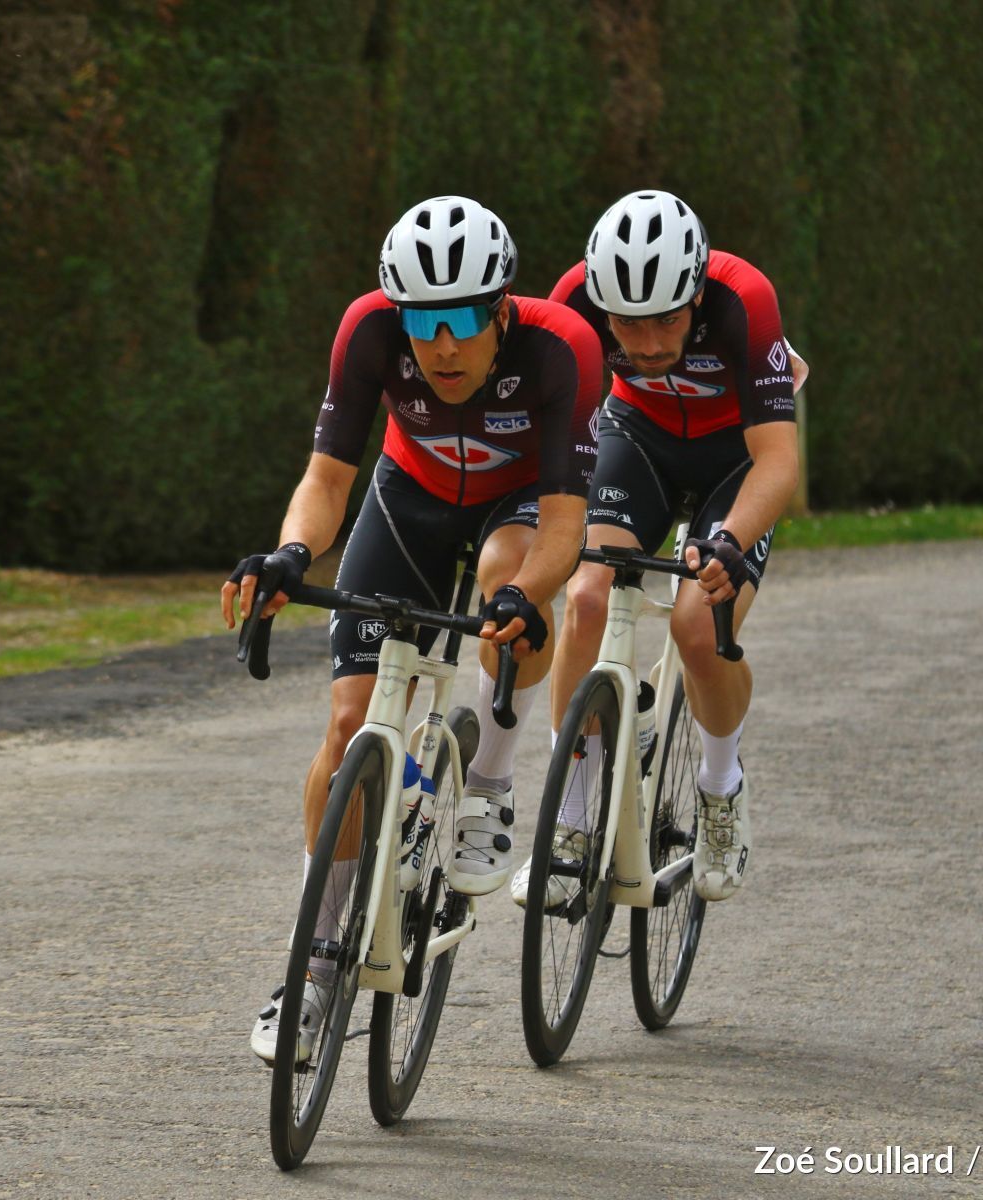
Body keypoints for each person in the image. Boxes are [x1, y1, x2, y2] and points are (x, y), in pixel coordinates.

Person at [221, 196, 602, 1062]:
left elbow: (565, 526)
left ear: (503, 308)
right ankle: (314, 970)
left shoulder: (560, 350)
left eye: (465, 317)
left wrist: (523, 599)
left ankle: (493, 783)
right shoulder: (367, 334)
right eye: (424, 321)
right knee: (350, 722)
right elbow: (327, 478)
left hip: (514, 507)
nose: (443, 344)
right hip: (411, 496)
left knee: (512, 581)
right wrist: (290, 553)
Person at [513, 189, 808, 910]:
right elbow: (557, 442)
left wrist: (729, 544)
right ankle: (573, 818)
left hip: (734, 454)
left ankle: (720, 787)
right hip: (637, 437)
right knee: (583, 599)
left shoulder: (744, 300)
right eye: (626, 325)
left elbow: (778, 461)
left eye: (666, 321)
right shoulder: (572, 299)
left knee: (696, 624)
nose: (644, 345)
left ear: (697, 291)